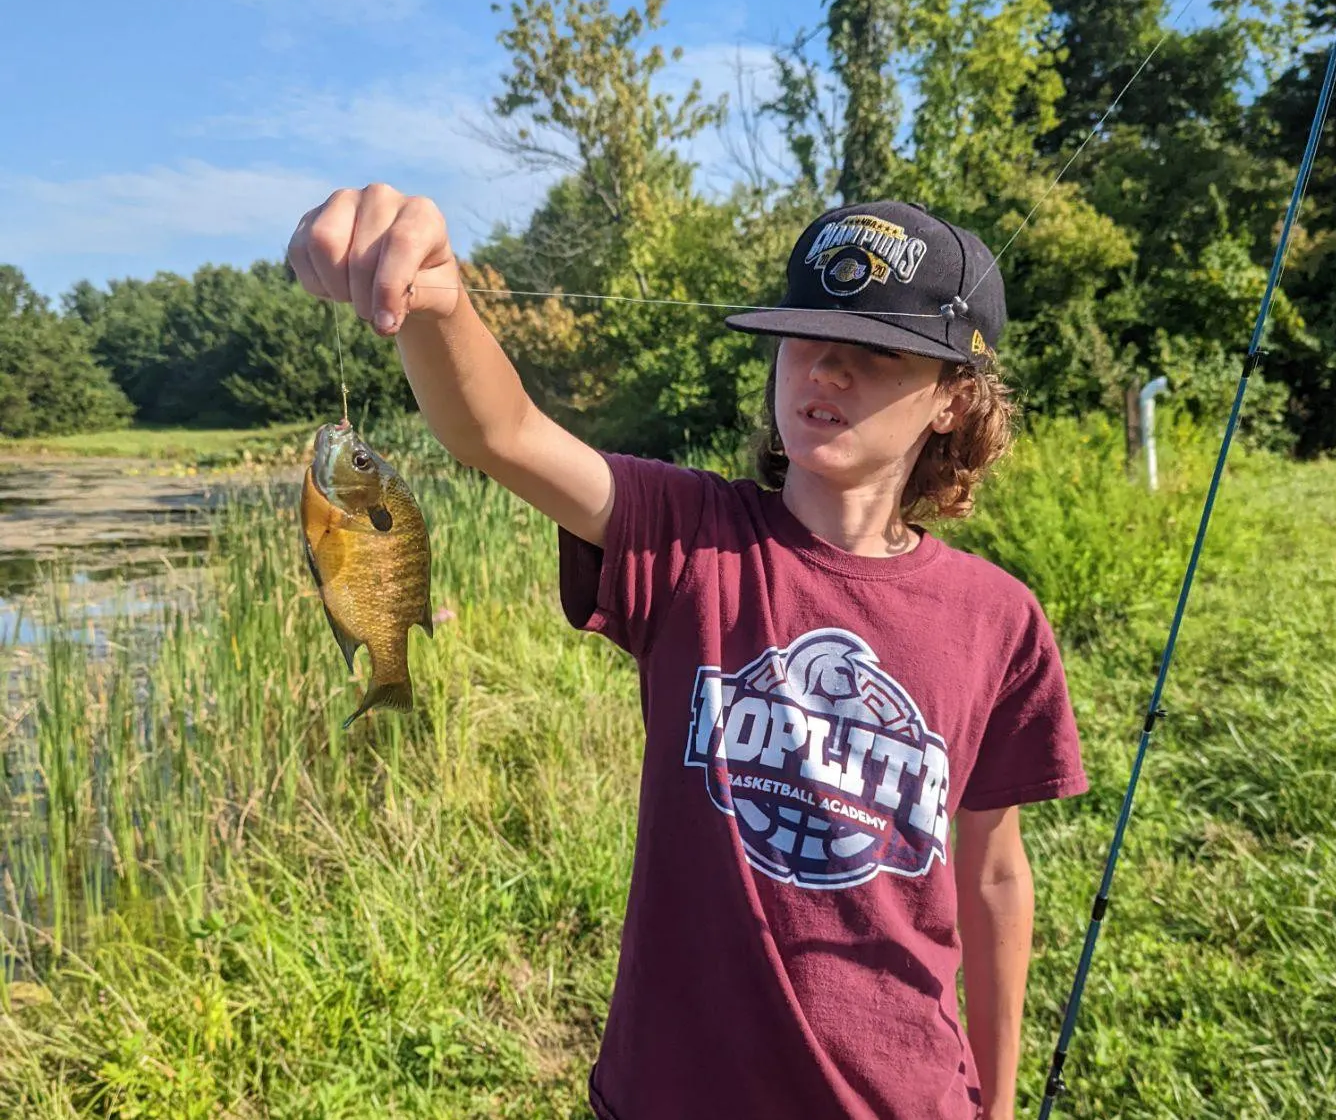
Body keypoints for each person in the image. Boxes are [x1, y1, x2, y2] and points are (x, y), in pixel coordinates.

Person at [288, 184, 1090, 1120]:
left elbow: (992, 872)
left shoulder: (998, 618)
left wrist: (995, 1104)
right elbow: (498, 433)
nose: (825, 367)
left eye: (875, 349)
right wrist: (435, 298)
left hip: (902, 1098)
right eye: (803, 335)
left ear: (955, 397)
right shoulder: (689, 536)